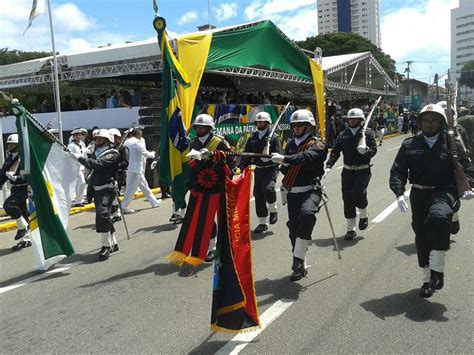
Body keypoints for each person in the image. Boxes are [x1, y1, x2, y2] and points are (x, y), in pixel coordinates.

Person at [389, 104, 474, 298]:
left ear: (442, 122)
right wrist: (399, 192)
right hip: (419, 194)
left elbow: (468, 167)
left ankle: (437, 270)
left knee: (438, 218)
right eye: (426, 120)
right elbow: (398, 171)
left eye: (434, 120)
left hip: (444, 191)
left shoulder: (452, 143)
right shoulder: (409, 144)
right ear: (420, 122)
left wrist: (469, 185)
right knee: (421, 238)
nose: (429, 124)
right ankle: (427, 279)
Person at [270, 109, 327, 281]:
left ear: (309, 126)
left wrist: (284, 159)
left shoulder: (317, 144)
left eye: (299, 125)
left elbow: (305, 158)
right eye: (293, 125)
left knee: (307, 215)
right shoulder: (291, 144)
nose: (295, 128)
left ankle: (298, 259)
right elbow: (287, 169)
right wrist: (272, 160)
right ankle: (300, 263)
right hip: (293, 192)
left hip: (311, 190)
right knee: (294, 229)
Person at [325, 108, 377, 240]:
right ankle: (350, 229)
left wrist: (366, 151)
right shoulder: (343, 135)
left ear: (361, 120)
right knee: (347, 199)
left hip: (363, 170)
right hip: (347, 171)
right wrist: (329, 165)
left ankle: (363, 214)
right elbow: (335, 152)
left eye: (355, 119)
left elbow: (374, 150)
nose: (352, 121)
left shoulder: (368, 133)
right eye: (350, 119)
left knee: (359, 193)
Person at [70, 129, 121, 260]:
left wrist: (80, 158)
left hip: (107, 189)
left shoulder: (112, 154)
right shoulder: (95, 152)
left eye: (100, 139)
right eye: (96, 139)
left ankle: (105, 246)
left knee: (102, 213)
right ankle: (113, 241)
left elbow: (98, 165)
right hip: (96, 189)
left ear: (107, 140)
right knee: (104, 216)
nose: (97, 141)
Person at [188, 113, 231, 261]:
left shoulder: (219, 142)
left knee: (224, 216)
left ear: (209, 128)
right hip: (202, 184)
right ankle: (211, 247)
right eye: (197, 127)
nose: (199, 129)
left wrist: (216, 158)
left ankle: (227, 244)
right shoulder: (193, 143)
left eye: (202, 127)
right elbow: (192, 165)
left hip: (218, 183)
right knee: (206, 217)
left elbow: (231, 158)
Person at [240, 112, 282, 234]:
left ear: (268, 123)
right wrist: (242, 166)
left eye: (262, 122)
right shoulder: (252, 137)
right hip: (259, 169)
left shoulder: (274, 137)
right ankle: (262, 223)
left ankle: (273, 210)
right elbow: (247, 154)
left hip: (271, 168)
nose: (259, 124)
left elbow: (278, 155)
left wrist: (269, 155)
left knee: (268, 188)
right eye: (258, 122)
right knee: (258, 194)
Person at [0, 134, 31, 251]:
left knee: (8, 205)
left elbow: (29, 175)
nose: (9, 145)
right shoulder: (10, 158)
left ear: (18, 146)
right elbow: (2, 175)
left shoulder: (23, 158)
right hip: (15, 189)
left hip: (23, 188)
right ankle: (26, 240)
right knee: (22, 212)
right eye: (9, 143)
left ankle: (23, 227)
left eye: (12, 144)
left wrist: (16, 178)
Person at [121, 127, 160, 213]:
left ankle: (154, 202)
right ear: (138, 134)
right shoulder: (137, 143)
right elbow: (145, 153)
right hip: (136, 168)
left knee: (144, 186)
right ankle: (124, 206)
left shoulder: (127, 142)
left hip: (130, 167)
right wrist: (154, 154)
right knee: (131, 189)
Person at [109, 128, 129, 222]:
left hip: (119, 174)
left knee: (114, 194)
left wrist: (115, 165)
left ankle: (116, 214)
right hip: (109, 174)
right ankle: (114, 213)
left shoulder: (122, 149)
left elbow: (125, 162)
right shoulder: (108, 148)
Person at [68, 127, 88, 207]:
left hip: (82, 166)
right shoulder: (71, 146)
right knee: (81, 183)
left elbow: (84, 154)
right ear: (74, 136)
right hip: (76, 167)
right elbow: (70, 156)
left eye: (80, 135)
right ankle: (78, 201)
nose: (79, 137)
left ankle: (80, 200)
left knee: (79, 184)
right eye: (77, 135)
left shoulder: (82, 144)